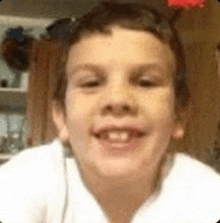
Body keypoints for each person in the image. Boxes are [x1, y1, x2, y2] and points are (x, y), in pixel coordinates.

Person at [1, 1, 220, 223]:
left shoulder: (204, 194)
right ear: (61, 117)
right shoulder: (29, 179)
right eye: (91, 83)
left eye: (145, 82)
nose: (117, 99)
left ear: (179, 114)